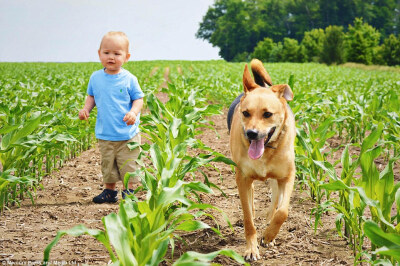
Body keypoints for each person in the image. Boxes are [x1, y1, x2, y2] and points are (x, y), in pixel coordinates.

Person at [79, 31, 144, 203]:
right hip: (106, 133)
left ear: (126, 57)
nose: (111, 57)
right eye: (106, 52)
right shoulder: (96, 77)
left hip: (127, 134)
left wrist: (133, 112)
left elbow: (139, 99)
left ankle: (129, 192)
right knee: (108, 166)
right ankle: (109, 192)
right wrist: (86, 110)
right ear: (99, 53)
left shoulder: (129, 79)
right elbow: (91, 97)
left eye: (117, 53)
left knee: (129, 165)